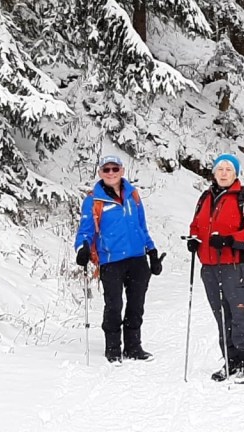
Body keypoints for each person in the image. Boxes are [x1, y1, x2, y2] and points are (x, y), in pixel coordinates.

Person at [74, 154, 164, 363]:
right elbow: (85, 231)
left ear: (122, 171)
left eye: (115, 169)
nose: (111, 173)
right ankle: (113, 348)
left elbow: (142, 227)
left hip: (137, 259)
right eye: (106, 169)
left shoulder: (133, 195)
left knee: (136, 305)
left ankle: (133, 347)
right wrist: (82, 248)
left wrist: (152, 251)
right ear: (100, 173)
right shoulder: (93, 201)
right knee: (114, 305)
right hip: (111, 261)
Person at [187, 153, 244, 381]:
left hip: (236, 266)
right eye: (220, 169)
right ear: (213, 173)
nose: (223, 173)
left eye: (228, 170)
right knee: (221, 315)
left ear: (235, 174)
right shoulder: (205, 197)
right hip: (209, 267)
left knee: (240, 314)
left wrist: (230, 240)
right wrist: (194, 239)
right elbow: (196, 225)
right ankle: (231, 360)